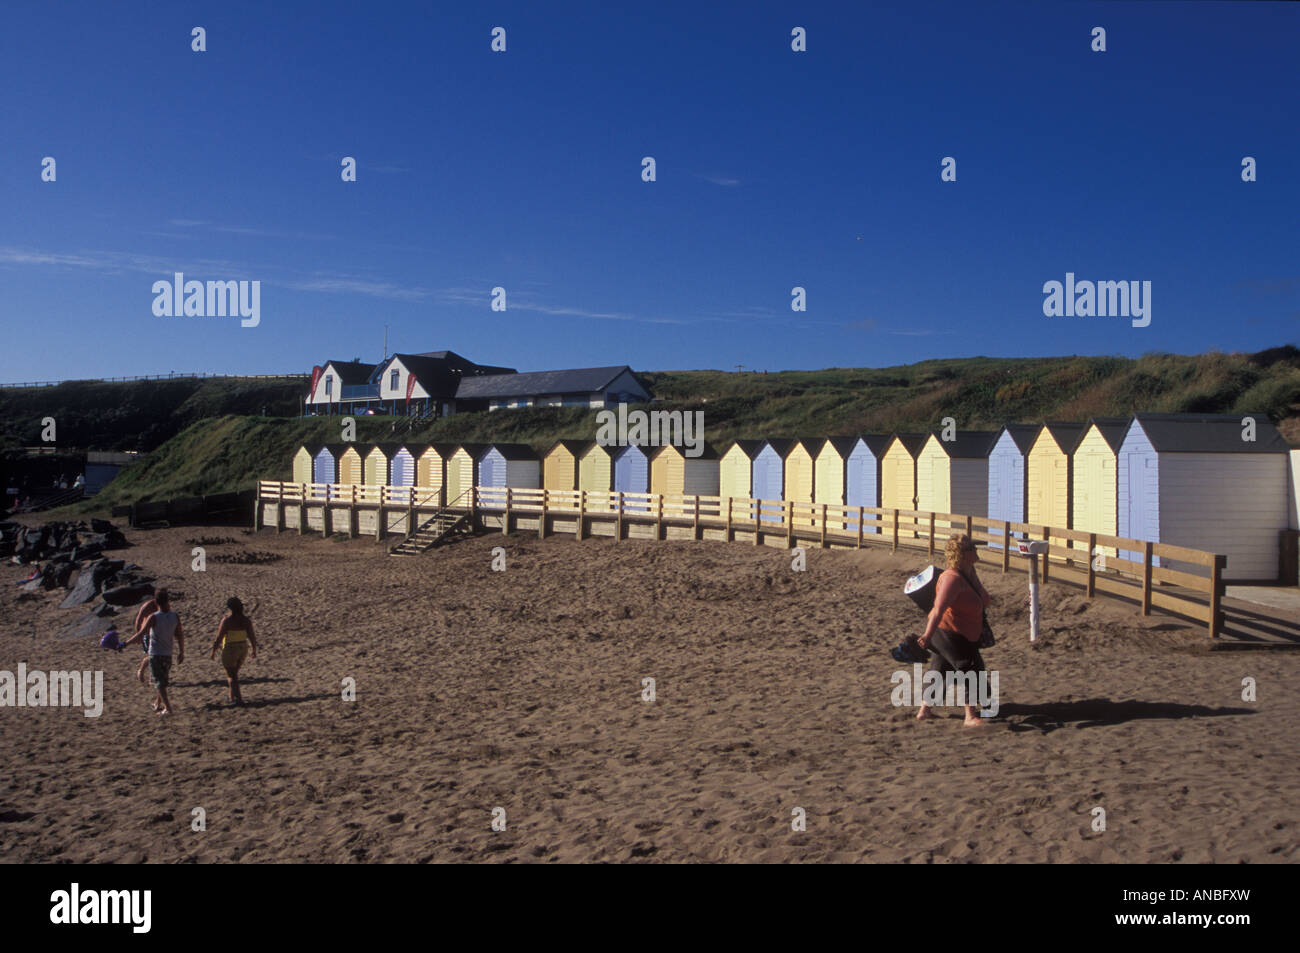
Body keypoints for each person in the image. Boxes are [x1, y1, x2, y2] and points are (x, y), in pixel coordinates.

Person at [916, 534, 992, 728]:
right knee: (970, 668)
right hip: (949, 633)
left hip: (961, 633)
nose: (976, 551)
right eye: (972, 549)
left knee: (940, 669)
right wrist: (927, 635)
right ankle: (970, 716)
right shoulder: (951, 579)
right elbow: (937, 610)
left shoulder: (969, 572)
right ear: (963, 554)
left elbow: (983, 597)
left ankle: (925, 710)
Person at [122, 589, 184, 715]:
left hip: (156, 654)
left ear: (156, 601)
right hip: (168, 654)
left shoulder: (154, 617)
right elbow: (180, 635)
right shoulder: (175, 616)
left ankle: (168, 708)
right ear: (168, 601)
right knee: (162, 681)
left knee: (159, 683)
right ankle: (158, 704)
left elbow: (140, 634)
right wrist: (182, 651)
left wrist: (125, 643)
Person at [209, 597, 257, 705]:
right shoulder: (246, 620)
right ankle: (231, 697)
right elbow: (252, 636)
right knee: (234, 673)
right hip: (242, 648)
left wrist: (213, 651)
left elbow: (219, 637)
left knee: (232, 675)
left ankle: (239, 699)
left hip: (230, 649)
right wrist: (254, 649)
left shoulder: (226, 620)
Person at [132, 597, 160, 684]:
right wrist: (138, 635)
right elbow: (139, 620)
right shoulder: (148, 606)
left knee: (156, 656)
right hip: (147, 634)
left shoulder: (163, 606)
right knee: (153, 656)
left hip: (157, 634)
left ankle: (142, 671)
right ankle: (151, 676)